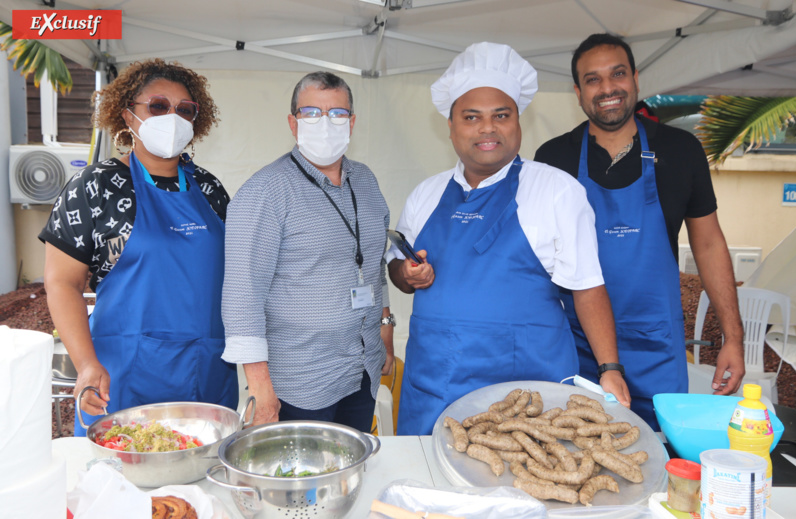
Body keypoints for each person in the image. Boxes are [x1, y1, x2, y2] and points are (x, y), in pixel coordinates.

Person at [387, 42, 630, 436]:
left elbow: (587, 285)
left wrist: (610, 368)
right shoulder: (425, 195)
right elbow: (397, 269)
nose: (487, 128)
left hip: (525, 398)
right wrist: (407, 274)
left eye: (502, 115)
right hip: (434, 390)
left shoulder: (555, 190)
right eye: (471, 117)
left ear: (518, 122)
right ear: (450, 127)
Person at [534, 33, 745, 429]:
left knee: (655, 459)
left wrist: (733, 338)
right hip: (576, 348)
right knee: (575, 459)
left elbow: (709, 244)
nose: (608, 88)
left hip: (657, 346)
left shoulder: (682, 151)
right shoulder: (553, 158)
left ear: (635, 78)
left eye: (617, 74)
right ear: (578, 93)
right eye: (593, 80)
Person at [40, 58, 238, 436]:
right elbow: (62, 283)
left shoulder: (210, 190)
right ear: (128, 115)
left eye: (185, 110)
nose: (173, 117)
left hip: (206, 374)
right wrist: (85, 364)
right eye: (159, 106)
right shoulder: (96, 187)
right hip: (123, 378)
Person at [221, 71, 393, 433]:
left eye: (337, 114)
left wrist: (385, 329)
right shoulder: (265, 192)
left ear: (352, 122)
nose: (326, 123)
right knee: (302, 484)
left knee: (351, 472)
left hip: (361, 369)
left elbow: (374, 262)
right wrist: (260, 390)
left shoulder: (366, 180)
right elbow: (242, 298)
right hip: (299, 381)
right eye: (312, 113)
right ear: (293, 123)